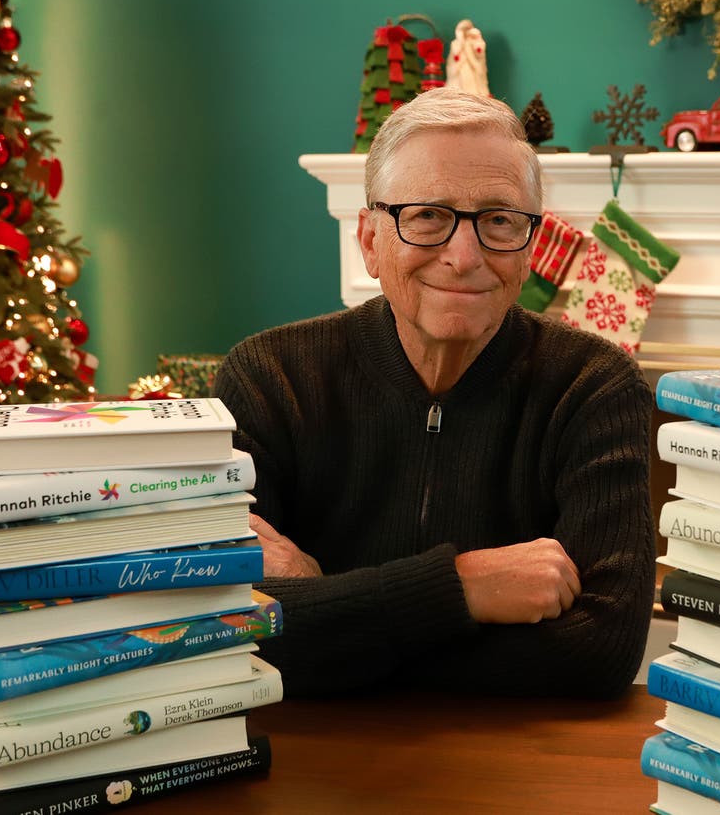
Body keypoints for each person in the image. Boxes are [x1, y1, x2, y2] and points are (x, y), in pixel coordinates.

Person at [213, 88, 654, 699]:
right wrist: (462, 588)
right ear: (371, 241)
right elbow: (228, 629)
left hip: (513, 755)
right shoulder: (270, 377)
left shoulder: (594, 386)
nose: (464, 256)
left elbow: (601, 652)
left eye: (499, 220)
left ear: (530, 248)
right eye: (427, 216)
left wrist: (327, 608)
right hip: (315, 751)